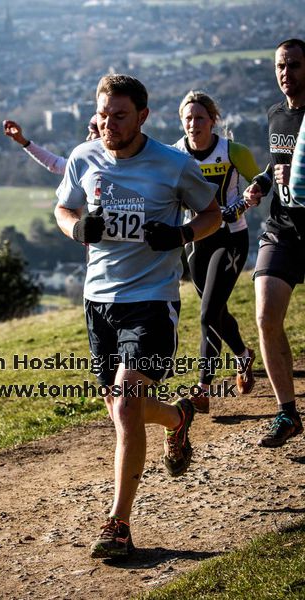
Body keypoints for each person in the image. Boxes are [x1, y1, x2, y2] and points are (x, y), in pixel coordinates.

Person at [54, 74, 221, 559]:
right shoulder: (84, 157)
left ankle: (118, 525)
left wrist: (183, 234)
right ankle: (178, 416)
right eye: (103, 115)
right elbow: (63, 210)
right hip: (98, 301)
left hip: (152, 298)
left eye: (119, 116)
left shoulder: (173, 165)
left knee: (126, 404)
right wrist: (75, 227)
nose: (108, 124)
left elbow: (212, 214)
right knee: (119, 408)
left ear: (143, 116)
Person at [174, 91, 261, 414]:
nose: (193, 124)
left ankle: (203, 387)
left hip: (230, 239)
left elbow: (263, 183)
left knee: (208, 314)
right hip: (196, 242)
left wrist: (253, 194)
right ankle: (242, 355)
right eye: (188, 118)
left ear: (213, 121)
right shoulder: (175, 155)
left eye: (200, 118)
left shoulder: (233, 151)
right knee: (217, 311)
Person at [243, 38, 305, 448]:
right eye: (281, 66)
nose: (286, 73)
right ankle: (287, 412)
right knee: (265, 315)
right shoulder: (276, 115)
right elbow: (276, 163)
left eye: (295, 65)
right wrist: (263, 183)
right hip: (282, 229)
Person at [3, 114, 100, 175]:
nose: (88, 138)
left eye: (92, 133)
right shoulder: (85, 165)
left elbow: (54, 164)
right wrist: (23, 141)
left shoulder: (90, 167)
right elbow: (54, 163)